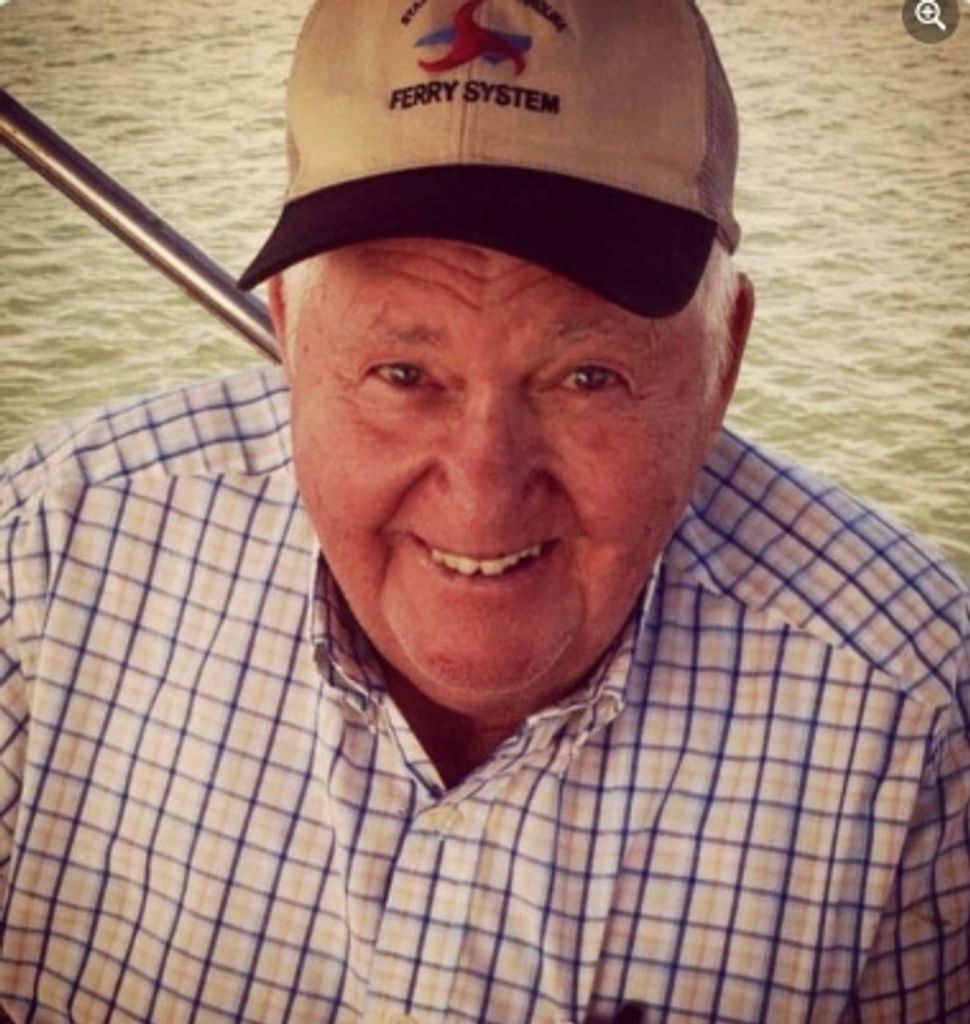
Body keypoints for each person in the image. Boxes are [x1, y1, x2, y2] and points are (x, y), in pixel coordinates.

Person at [0, 1, 967, 1021]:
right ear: (289, 334)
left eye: (585, 377)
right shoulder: (49, 555)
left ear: (721, 361)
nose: (483, 487)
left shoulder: (915, 724)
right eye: (403, 371)